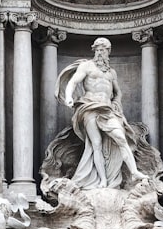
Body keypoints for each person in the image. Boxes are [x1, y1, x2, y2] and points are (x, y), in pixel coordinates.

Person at [59, 38, 147, 189]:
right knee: (96, 145)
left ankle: (134, 172)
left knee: (121, 137)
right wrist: (68, 96)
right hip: (89, 107)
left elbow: (118, 93)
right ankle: (103, 180)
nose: (100, 53)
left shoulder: (111, 73)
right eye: (97, 50)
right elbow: (73, 82)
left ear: (108, 52)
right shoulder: (86, 66)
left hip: (107, 110)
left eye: (103, 50)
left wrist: (116, 103)